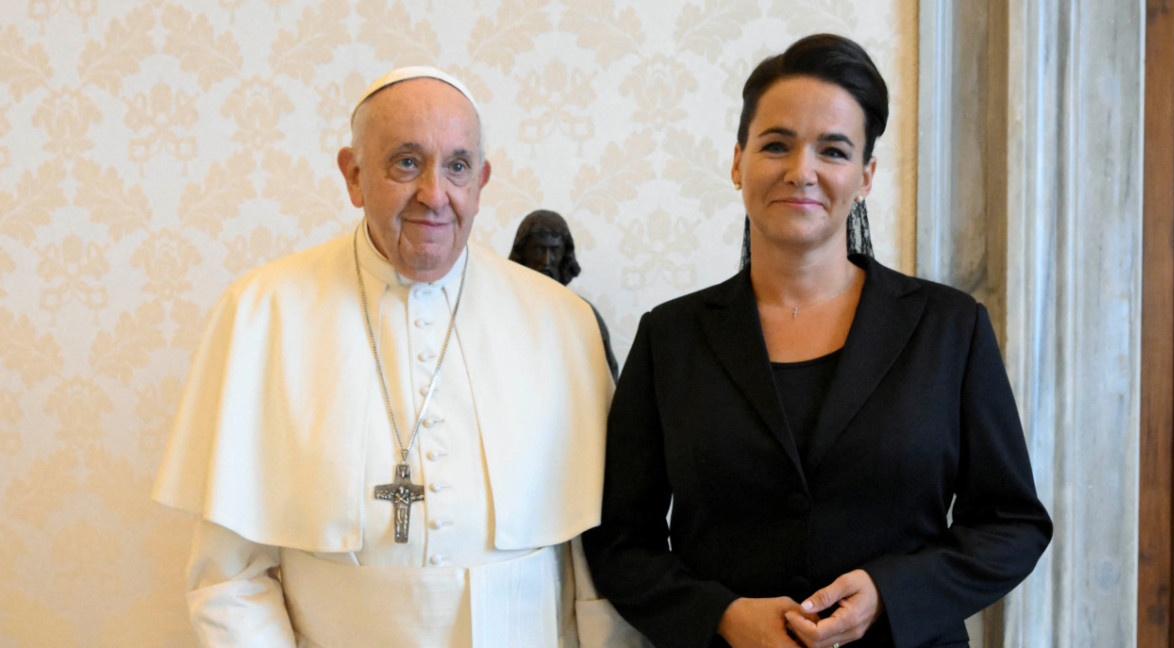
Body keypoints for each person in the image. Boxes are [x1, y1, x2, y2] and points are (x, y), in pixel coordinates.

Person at [582, 34, 1052, 648]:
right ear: (736, 162)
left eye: (833, 150)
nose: (801, 171)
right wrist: (721, 616)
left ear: (866, 176)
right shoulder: (671, 336)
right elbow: (620, 540)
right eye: (776, 144)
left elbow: (1012, 524)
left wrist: (892, 592)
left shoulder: (949, 327)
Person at [153, 66, 634, 647]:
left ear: (480, 181)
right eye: (406, 162)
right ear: (353, 176)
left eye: (456, 166)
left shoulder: (560, 321)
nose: (434, 195)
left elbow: (598, 571)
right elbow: (227, 579)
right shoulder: (263, 312)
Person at [509, 209, 620, 378]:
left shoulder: (583, 314)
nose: (546, 261)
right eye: (538, 249)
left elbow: (607, 380)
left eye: (554, 250)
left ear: (564, 254)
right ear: (523, 251)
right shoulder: (500, 309)